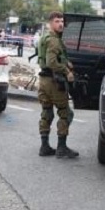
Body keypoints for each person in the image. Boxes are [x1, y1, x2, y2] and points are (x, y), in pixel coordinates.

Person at [36, 11, 79, 158]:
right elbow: (52, 62)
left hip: (43, 81)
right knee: (66, 113)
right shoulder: (54, 40)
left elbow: (48, 58)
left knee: (46, 112)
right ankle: (61, 148)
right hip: (54, 82)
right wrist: (67, 71)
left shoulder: (44, 37)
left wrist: (66, 61)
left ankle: (44, 146)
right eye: (57, 21)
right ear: (50, 23)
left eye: (62, 21)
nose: (60, 24)